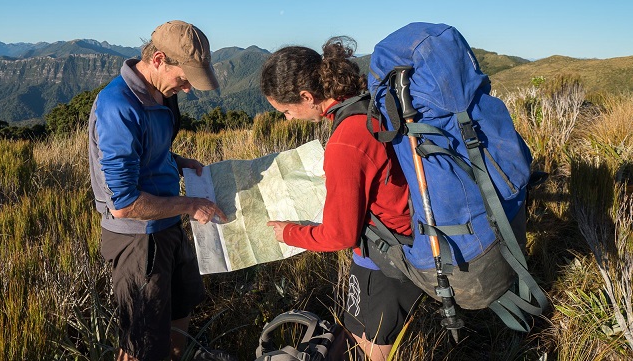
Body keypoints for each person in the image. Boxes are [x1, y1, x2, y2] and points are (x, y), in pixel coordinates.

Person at [261, 37, 424, 360]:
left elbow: (340, 235)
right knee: (354, 339)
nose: (288, 119)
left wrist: (288, 232)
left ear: (307, 97)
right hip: (393, 249)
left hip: (387, 264)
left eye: (286, 110)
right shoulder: (364, 104)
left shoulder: (346, 141)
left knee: (373, 350)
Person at [88, 20, 228, 361]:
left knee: (181, 306)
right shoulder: (118, 107)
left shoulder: (161, 95)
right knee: (142, 339)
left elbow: (148, 152)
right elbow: (123, 203)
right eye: (184, 79)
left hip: (167, 224)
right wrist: (190, 204)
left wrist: (177, 162)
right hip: (138, 238)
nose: (187, 89)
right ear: (159, 59)